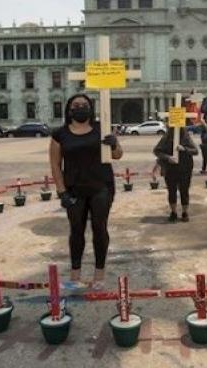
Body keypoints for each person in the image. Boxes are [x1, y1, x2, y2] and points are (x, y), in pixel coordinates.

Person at [50, 94, 122, 289]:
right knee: (76, 230)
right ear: (69, 109)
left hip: (101, 187)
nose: (80, 107)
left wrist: (114, 143)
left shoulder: (101, 129)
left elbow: (117, 155)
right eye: (76, 105)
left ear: (90, 108)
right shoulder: (60, 134)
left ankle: (99, 274)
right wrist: (61, 191)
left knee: (100, 229)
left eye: (84, 104)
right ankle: (75, 274)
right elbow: (55, 165)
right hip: (74, 189)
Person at [154, 128, 199, 222]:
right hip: (170, 169)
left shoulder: (185, 136)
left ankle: (184, 212)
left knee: (184, 191)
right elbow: (157, 151)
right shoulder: (167, 136)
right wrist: (167, 158)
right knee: (171, 191)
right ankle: (173, 212)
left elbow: (195, 151)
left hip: (185, 168)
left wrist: (184, 149)